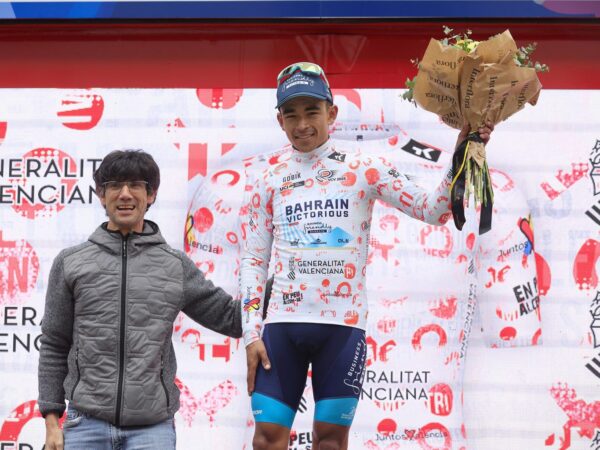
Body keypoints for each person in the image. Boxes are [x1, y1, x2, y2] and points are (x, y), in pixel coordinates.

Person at [240, 62, 494, 450]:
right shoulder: (267, 180)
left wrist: (463, 149)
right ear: (280, 121)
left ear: (332, 113)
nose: (302, 124)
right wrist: (250, 334)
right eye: (291, 114)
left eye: (311, 111)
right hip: (281, 330)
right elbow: (254, 262)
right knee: (266, 441)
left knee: (330, 442)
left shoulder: (365, 169)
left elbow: (432, 209)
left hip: (342, 330)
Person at [38, 150, 242, 450]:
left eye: (135, 185)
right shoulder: (71, 262)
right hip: (85, 425)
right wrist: (51, 421)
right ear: (101, 194)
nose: (125, 194)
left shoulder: (174, 265)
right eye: (114, 185)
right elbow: (54, 344)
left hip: (152, 429)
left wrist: (288, 279)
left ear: (151, 195)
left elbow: (232, 318)